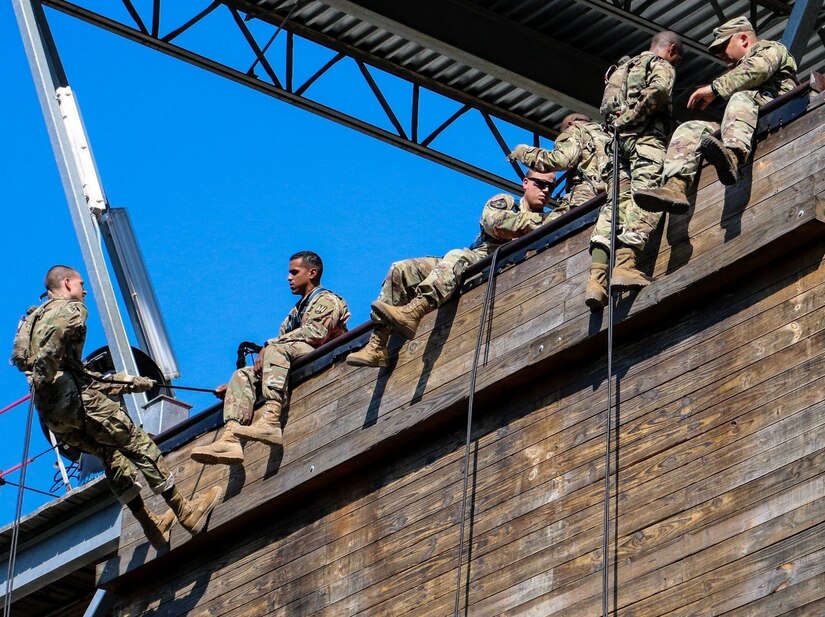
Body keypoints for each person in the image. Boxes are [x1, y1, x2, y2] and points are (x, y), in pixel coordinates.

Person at [12, 265, 222, 550]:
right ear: (67, 283)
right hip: (78, 402)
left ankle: (152, 525)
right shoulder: (71, 310)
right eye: (81, 284)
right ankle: (187, 512)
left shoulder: (32, 318)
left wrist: (130, 383)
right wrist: (45, 370)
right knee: (137, 443)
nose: (84, 291)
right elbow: (59, 347)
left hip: (53, 416)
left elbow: (48, 366)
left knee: (110, 454)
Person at [346, 171, 556, 368]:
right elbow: (495, 223)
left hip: (494, 268)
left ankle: (417, 309)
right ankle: (377, 344)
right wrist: (540, 221)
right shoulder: (507, 203)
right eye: (540, 184)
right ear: (526, 183)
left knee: (457, 256)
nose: (545, 190)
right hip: (479, 257)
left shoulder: (553, 218)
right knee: (402, 269)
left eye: (550, 187)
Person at [191, 251, 349, 466]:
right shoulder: (294, 314)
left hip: (324, 358)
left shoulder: (326, 300)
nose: (289, 278)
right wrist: (236, 389)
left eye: (294, 272)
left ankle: (271, 420)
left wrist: (270, 345)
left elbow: (316, 333)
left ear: (312, 273)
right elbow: (283, 346)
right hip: (295, 358)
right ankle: (230, 440)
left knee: (274, 350)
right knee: (242, 375)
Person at [634, 16, 798, 213]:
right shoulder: (739, 81)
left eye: (723, 47)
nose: (721, 54)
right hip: (746, 124)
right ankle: (675, 187)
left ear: (744, 39)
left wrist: (714, 88)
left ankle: (732, 156)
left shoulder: (771, 49)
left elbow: (757, 70)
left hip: (778, 112)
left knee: (741, 98)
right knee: (690, 129)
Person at [586, 30, 684, 310]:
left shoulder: (621, 69)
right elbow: (661, 90)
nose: (674, 65)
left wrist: (619, 124)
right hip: (645, 140)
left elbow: (607, 109)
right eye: (677, 60)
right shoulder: (660, 64)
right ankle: (625, 265)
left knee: (614, 205)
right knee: (648, 196)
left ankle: (596, 280)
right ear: (672, 51)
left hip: (618, 147)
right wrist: (633, 116)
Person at [508, 113, 611, 213]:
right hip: (611, 198)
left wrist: (523, 152)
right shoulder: (609, 136)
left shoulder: (576, 130)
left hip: (585, 198)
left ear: (570, 124)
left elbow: (561, 160)